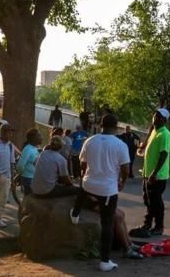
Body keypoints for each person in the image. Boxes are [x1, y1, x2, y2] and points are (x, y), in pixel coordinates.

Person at [70, 114, 130, 272]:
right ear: (116, 127)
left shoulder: (90, 140)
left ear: (100, 125)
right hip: (107, 190)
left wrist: (85, 176)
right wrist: (122, 182)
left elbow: (82, 162)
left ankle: (75, 214)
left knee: (82, 190)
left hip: (88, 184)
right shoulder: (120, 144)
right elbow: (125, 169)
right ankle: (105, 261)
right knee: (107, 224)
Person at [137, 109, 170, 237]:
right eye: (154, 115)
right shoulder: (154, 132)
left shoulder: (164, 134)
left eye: (158, 116)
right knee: (148, 200)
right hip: (148, 174)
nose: (154, 118)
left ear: (164, 120)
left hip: (157, 176)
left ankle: (159, 226)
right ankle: (147, 224)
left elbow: (163, 155)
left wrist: (154, 173)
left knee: (156, 201)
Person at [16, 128, 43, 195]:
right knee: (30, 200)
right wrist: (22, 174)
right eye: (39, 135)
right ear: (33, 138)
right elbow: (20, 166)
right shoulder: (28, 149)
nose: (41, 137)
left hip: (33, 178)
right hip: (28, 179)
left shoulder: (34, 148)